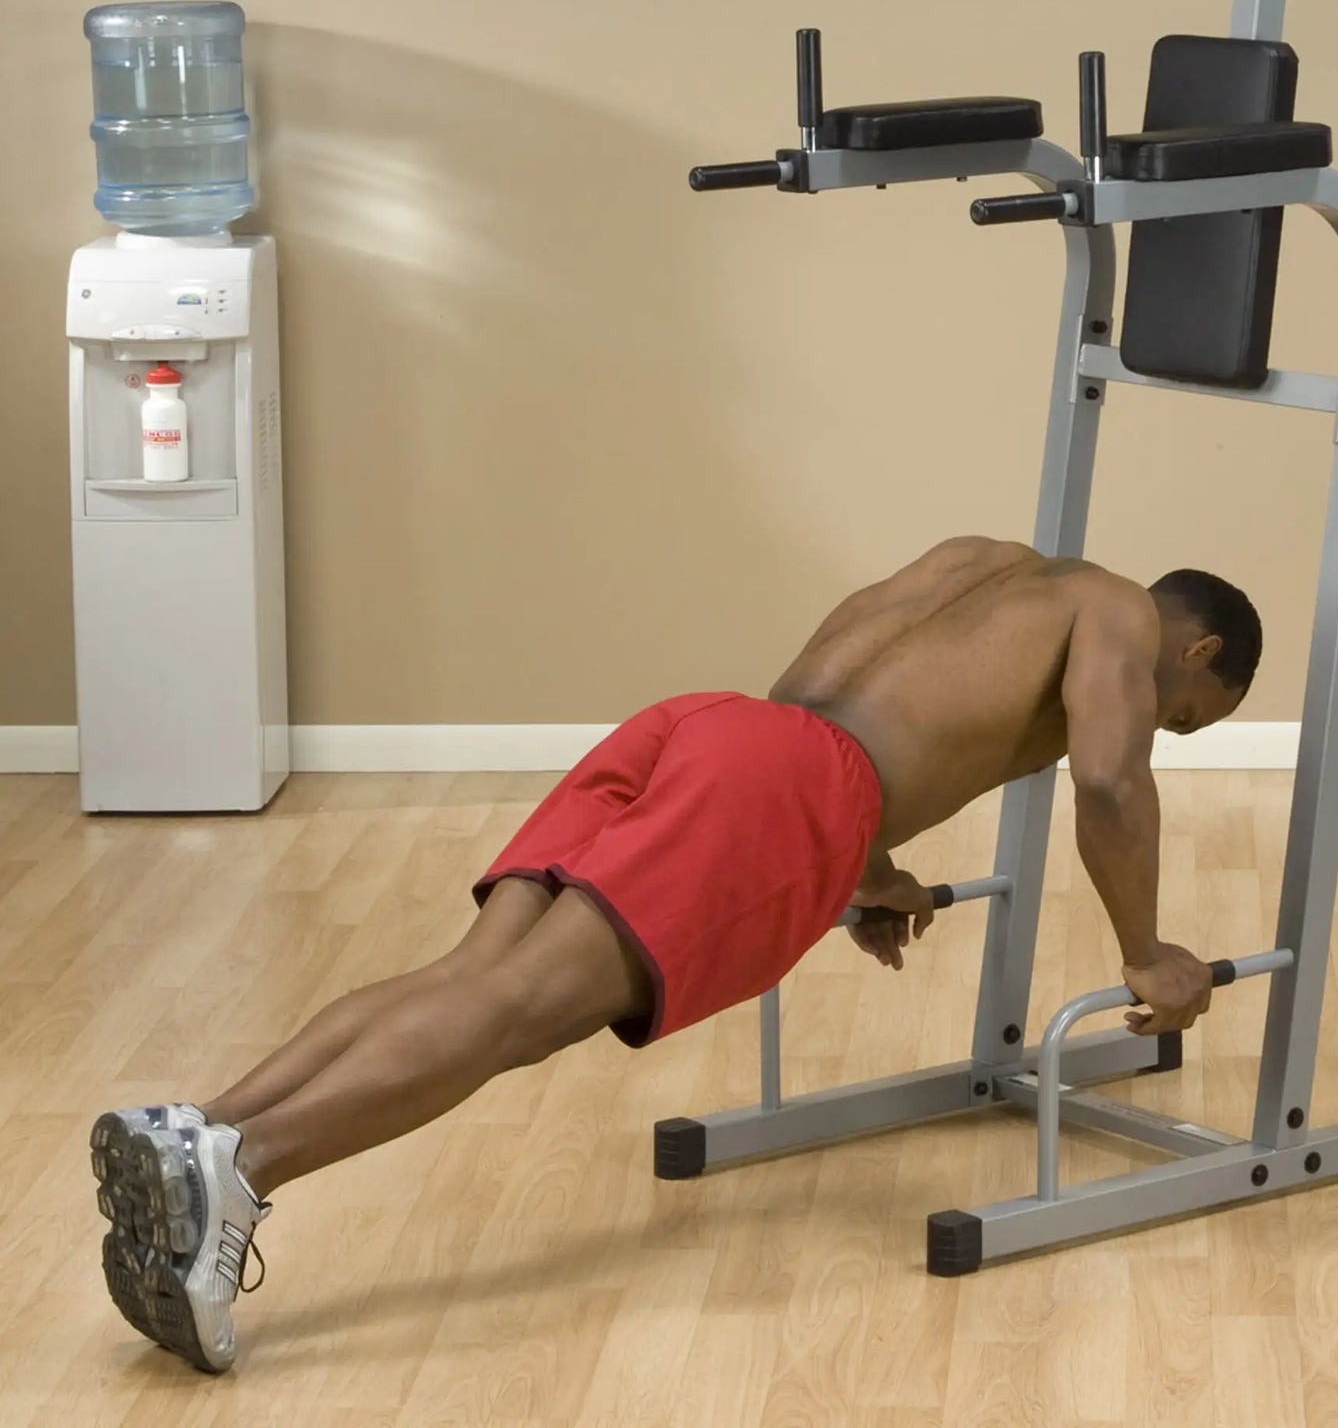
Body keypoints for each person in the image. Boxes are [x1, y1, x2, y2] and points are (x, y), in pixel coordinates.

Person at [90, 536, 1263, 1372]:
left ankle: (194, 1126)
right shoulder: (1117, 611)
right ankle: (244, 1166)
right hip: (788, 789)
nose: (1166, 723)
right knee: (510, 1014)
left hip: (711, 725)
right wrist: (1148, 951)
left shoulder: (985, 562)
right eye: (1186, 711)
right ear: (1197, 645)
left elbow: (828, 703)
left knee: (469, 980)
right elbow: (1108, 779)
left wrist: (861, 864)